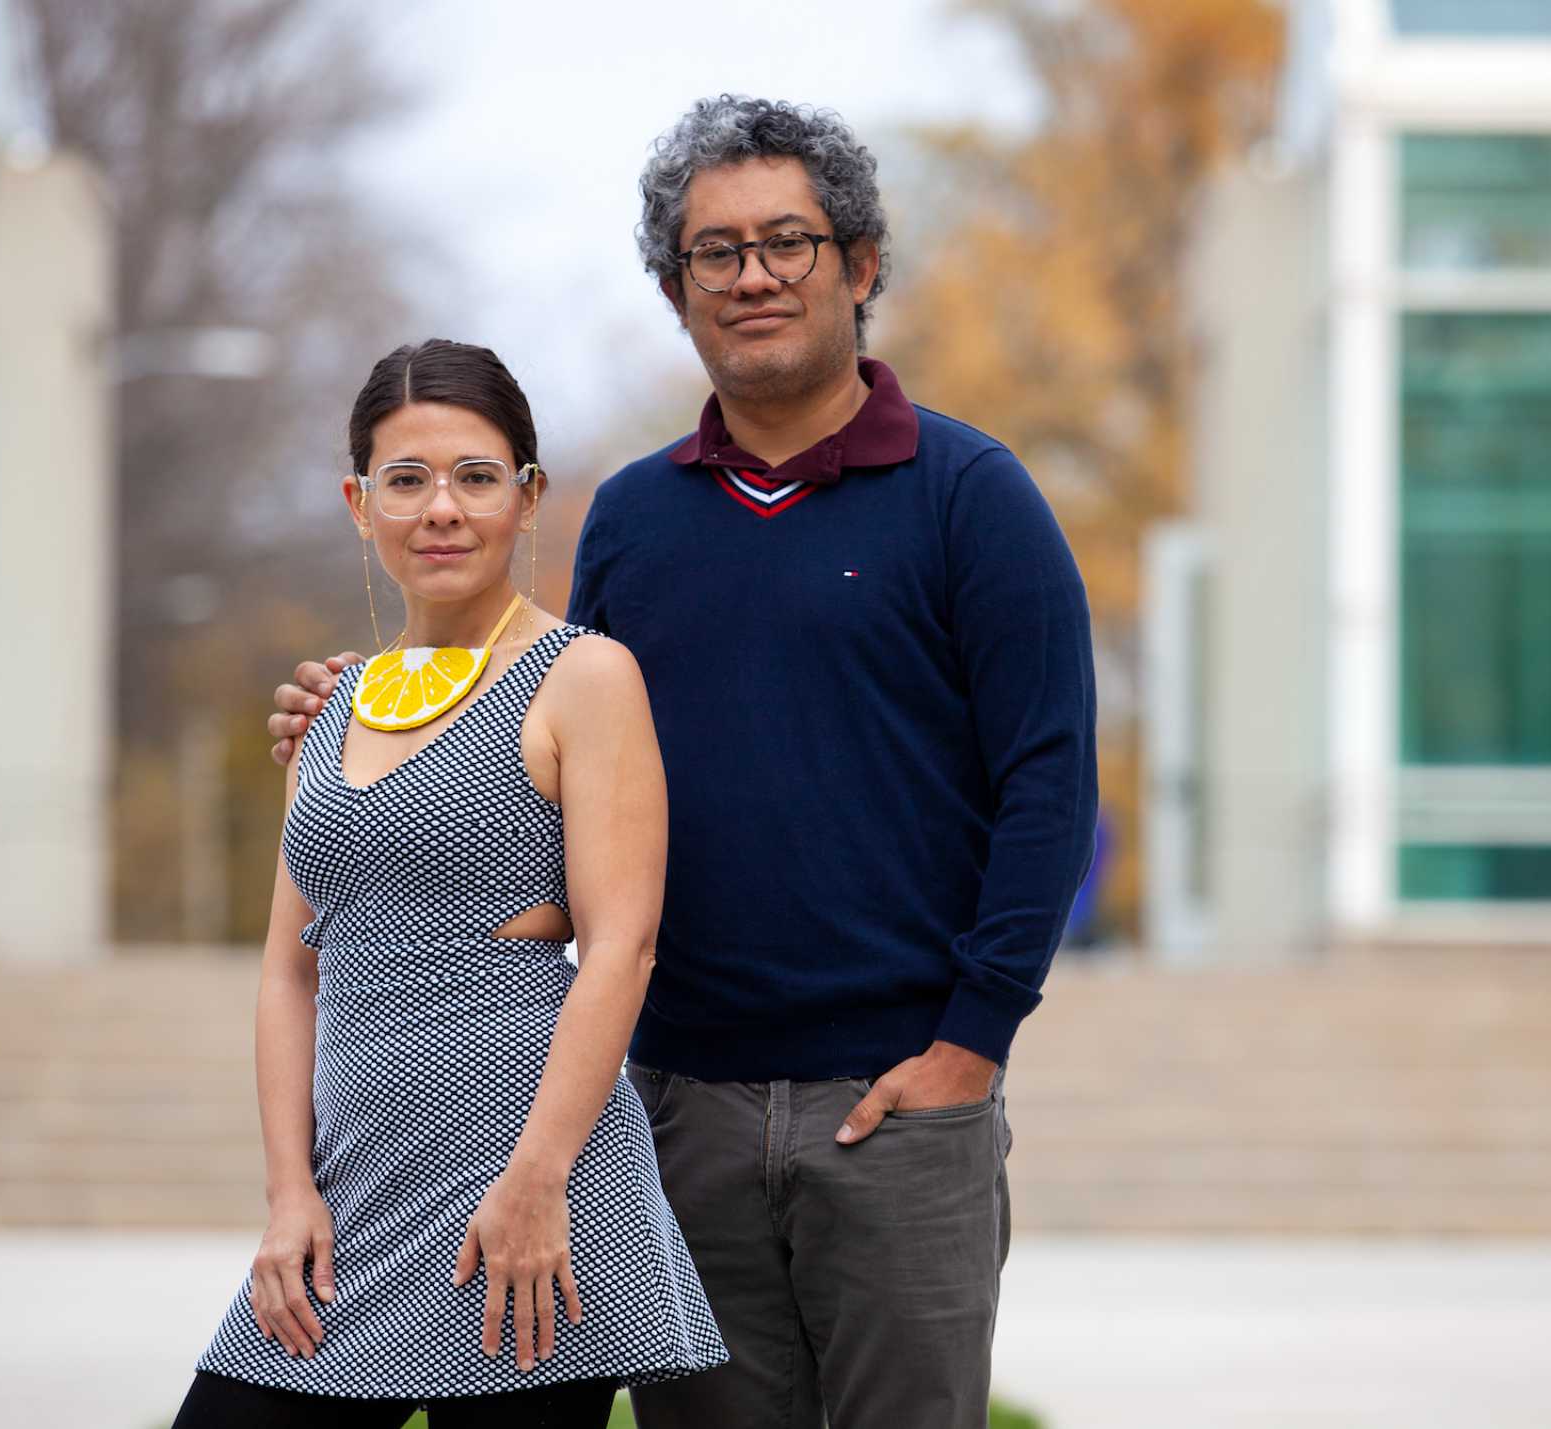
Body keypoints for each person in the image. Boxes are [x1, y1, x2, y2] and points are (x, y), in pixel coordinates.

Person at [271, 97, 1098, 1429]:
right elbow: (545, 744)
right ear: (675, 287)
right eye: (716, 252)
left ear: (862, 264)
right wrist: (361, 717)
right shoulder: (637, 519)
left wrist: (970, 1047)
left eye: (789, 241)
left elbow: (1051, 784)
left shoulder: (972, 496)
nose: (754, 274)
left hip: (898, 1105)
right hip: (671, 1117)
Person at [177, 339, 726, 1429]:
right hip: (354, 1201)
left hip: (527, 1198)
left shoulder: (584, 677)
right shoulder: (336, 704)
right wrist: (290, 1191)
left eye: (478, 476)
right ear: (357, 501)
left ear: (527, 498)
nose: (442, 508)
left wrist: (538, 1178)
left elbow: (622, 945)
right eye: (407, 478)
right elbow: (291, 974)